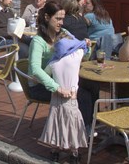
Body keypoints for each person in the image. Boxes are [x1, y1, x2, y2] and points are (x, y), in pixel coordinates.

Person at [40, 31, 89, 164]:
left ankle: (55, 151)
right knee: (72, 124)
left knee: (56, 122)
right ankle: (74, 153)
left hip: (56, 96)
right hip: (71, 97)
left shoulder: (53, 62)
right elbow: (85, 48)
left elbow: (43, 75)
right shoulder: (76, 55)